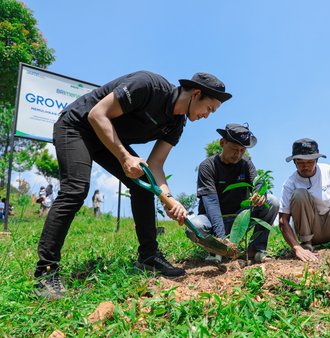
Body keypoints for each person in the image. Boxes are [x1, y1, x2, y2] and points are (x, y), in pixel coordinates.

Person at [33, 70, 232, 300]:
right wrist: (124, 157)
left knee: (142, 184)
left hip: (106, 139)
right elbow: (97, 115)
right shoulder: (148, 86)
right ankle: (45, 272)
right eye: (210, 108)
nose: (208, 115)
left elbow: (155, 166)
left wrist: (170, 200)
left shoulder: (176, 124)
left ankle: (149, 258)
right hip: (77, 126)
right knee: (76, 189)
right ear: (196, 94)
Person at [186, 123, 279, 263]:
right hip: (213, 220)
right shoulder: (207, 166)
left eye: (242, 150)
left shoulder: (246, 164)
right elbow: (211, 203)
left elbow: (258, 182)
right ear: (222, 143)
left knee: (271, 202)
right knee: (194, 227)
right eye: (235, 149)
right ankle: (215, 251)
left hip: (239, 219)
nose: (238, 154)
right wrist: (222, 239)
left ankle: (255, 250)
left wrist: (260, 193)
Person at [278, 138, 330, 262]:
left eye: (309, 162)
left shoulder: (328, 170)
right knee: (299, 194)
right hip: (310, 229)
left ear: (316, 160)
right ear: (294, 162)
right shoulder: (290, 183)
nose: (305, 166)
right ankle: (306, 244)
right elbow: (283, 220)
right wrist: (296, 248)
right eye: (300, 162)